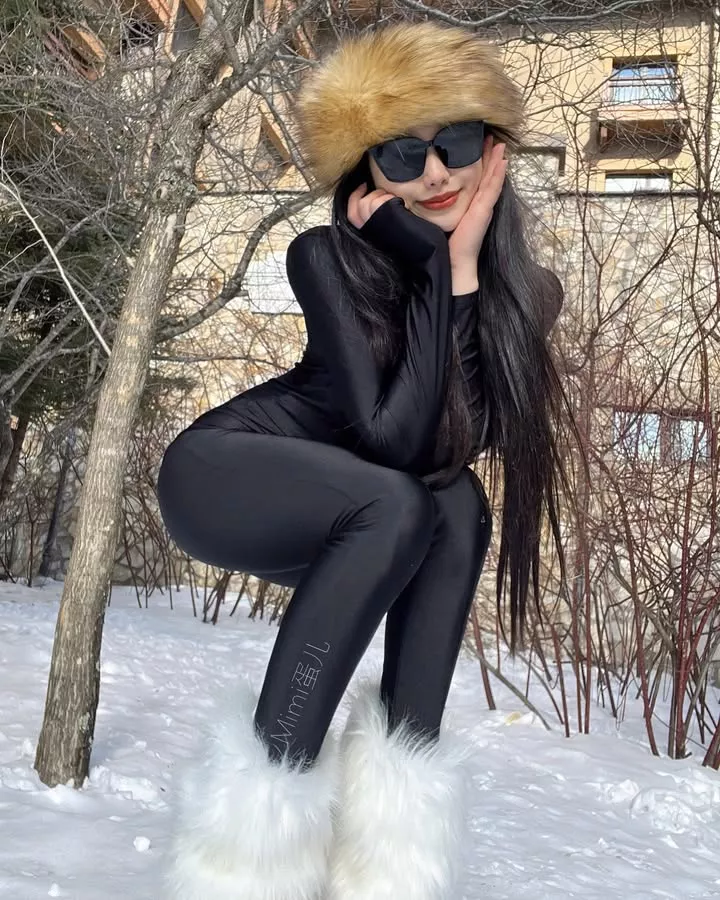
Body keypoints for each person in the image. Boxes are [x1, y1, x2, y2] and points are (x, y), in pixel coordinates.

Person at [157, 20, 568, 900]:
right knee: (402, 501)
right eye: (402, 155)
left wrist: (461, 276)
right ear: (366, 178)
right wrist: (442, 267)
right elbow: (392, 441)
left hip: (370, 509)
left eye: (458, 142)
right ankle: (250, 863)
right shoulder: (327, 258)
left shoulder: (528, 295)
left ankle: (389, 864)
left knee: (456, 506)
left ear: (494, 151)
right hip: (227, 473)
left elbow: (446, 450)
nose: (437, 174)